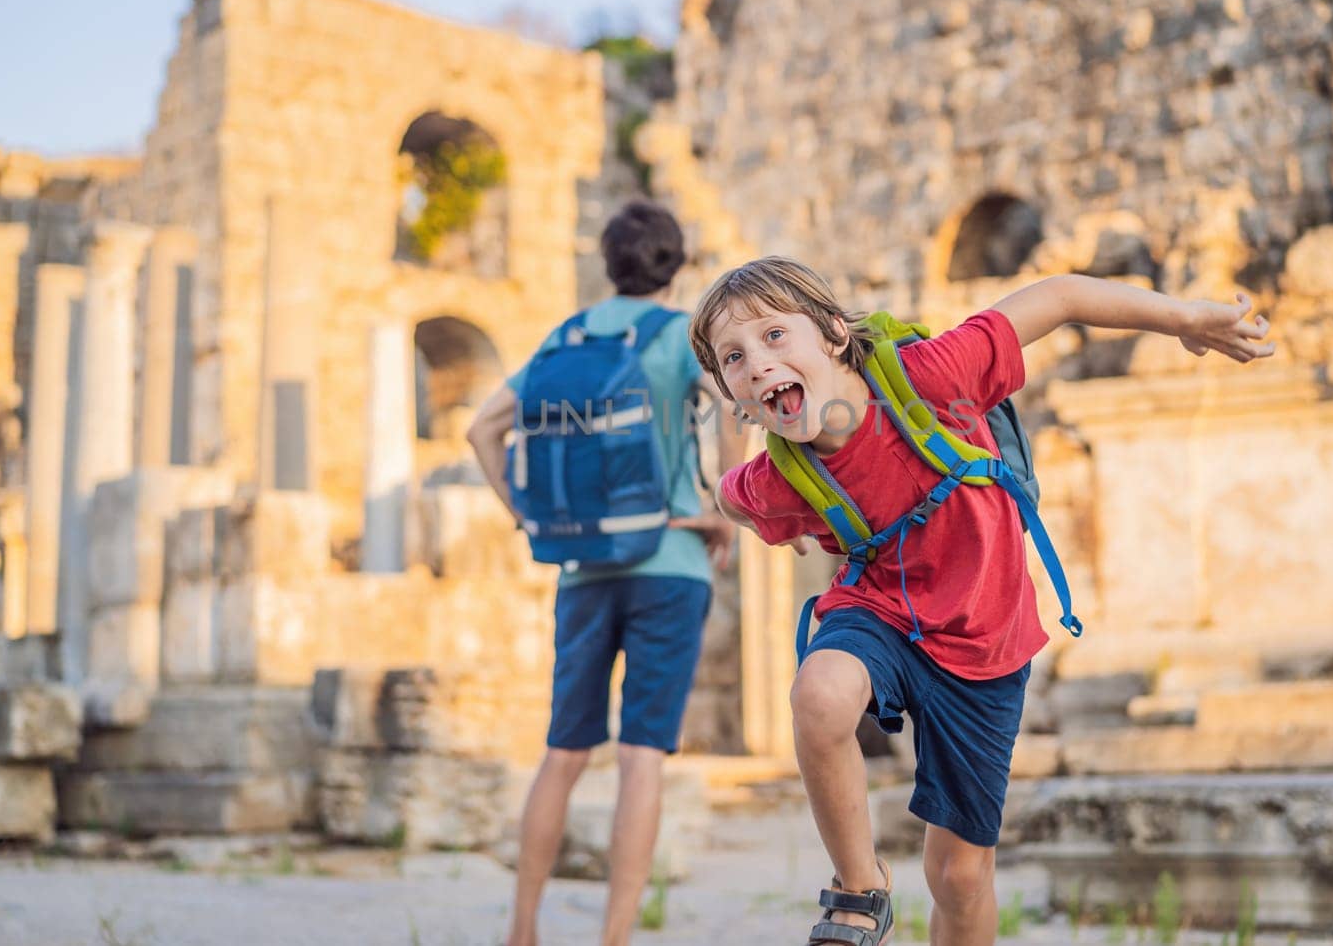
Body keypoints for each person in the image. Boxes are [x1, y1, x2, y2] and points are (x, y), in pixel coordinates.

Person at [688, 256, 1273, 946]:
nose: (756, 363)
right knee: (818, 694)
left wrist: (1184, 318)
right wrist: (754, 521)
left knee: (960, 876)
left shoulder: (933, 376)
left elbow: (1058, 297)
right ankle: (859, 886)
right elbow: (729, 493)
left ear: (835, 335)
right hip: (880, 612)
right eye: (734, 357)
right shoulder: (777, 478)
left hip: (983, 638)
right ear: (733, 395)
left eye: (774, 337)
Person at [467, 202, 745, 946]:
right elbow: (730, 406)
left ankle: (522, 930)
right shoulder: (681, 337)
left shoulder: (566, 336)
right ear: (675, 263)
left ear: (606, 262)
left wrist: (524, 513)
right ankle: (613, 938)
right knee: (640, 757)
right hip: (673, 562)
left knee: (563, 753)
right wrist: (722, 496)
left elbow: (481, 427)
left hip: (582, 570)